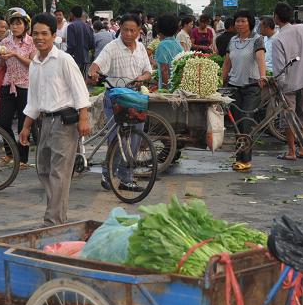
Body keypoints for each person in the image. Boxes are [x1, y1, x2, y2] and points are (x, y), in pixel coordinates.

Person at [18, 14, 91, 225]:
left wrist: (83, 118)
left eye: (44, 34)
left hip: (65, 123)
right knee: (43, 169)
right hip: (45, 122)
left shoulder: (64, 60)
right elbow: (33, 99)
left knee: (59, 173)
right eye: (36, 33)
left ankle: (53, 220)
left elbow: (80, 91)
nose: (40, 38)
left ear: (53, 35)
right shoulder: (35, 64)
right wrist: (25, 127)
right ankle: (57, 213)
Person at [88, 14, 152, 192]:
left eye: (133, 30)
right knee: (117, 137)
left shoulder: (140, 48)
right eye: (125, 30)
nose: (128, 34)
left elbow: (149, 72)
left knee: (135, 139)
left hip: (135, 97)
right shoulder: (112, 48)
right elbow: (96, 65)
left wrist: (142, 77)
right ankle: (107, 173)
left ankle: (126, 177)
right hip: (115, 98)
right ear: (120, 29)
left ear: (139, 31)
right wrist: (93, 72)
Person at [221, 10, 266, 172]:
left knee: (246, 121)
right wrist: (221, 79)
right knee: (237, 123)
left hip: (252, 86)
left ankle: (246, 160)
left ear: (250, 23)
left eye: (243, 21)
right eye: (237, 21)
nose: (239, 24)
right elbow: (227, 63)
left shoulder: (257, 39)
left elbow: (260, 58)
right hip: (234, 86)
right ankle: (239, 156)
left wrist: (263, 76)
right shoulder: (232, 40)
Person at [271, 1, 303, 161]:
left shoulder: (278, 39)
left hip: (288, 83)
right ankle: (302, 148)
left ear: (275, 17)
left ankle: (291, 151)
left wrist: (278, 85)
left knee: (289, 117)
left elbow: (279, 68)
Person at [0, 14, 36, 167]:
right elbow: (2, 64)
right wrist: (2, 58)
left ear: (25, 26)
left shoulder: (31, 42)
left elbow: (33, 64)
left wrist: (15, 55)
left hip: (25, 86)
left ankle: (23, 159)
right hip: (8, 84)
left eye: (18, 24)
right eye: (12, 24)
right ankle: (10, 152)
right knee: (3, 121)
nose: (14, 27)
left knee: (23, 124)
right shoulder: (5, 42)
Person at [154, 14, 184, 90]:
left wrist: (165, 89)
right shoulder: (177, 44)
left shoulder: (162, 45)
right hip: (177, 87)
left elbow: (164, 70)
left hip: (168, 89)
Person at [64, 5, 94, 76]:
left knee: (74, 81)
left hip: (75, 59)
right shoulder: (88, 27)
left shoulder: (71, 26)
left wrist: (66, 55)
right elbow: (92, 44)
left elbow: (71, 45)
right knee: (83, 81)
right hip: (86, 58)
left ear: (71, 14)